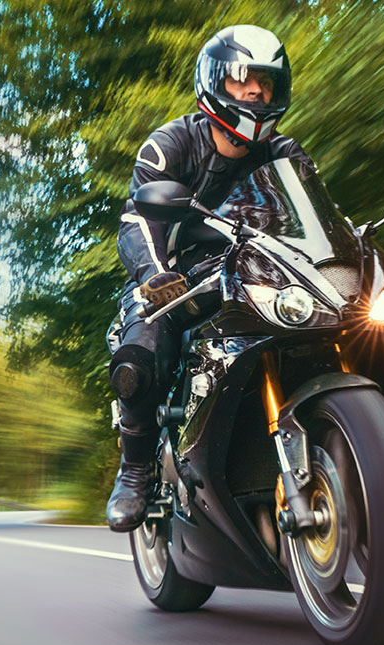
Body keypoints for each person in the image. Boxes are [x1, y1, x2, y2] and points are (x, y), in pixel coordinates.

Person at [106, 25, 316, 532]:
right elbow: (138, 219)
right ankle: (135, 468)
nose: (256, 93)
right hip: (181, 278)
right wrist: (154, 276)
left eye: (266, 84)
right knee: (139, 352)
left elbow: (317, 220)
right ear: (215, 84)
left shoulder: (287, 154)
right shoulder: (171, 143)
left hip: (264, 271)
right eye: (245, 81)